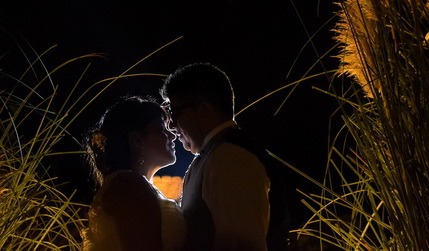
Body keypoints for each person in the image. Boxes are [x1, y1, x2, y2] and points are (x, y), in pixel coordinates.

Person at [161, 63, 290, 251]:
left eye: (174, 113)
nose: (171, 125)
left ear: (203, 110)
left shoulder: (229, 157)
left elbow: (241, 244)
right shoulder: (216, 154)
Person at [84, 96, 188, 251]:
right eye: (161, 129)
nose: (172, 135)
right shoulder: (129, 186)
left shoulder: (133, 184)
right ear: (137, 139)